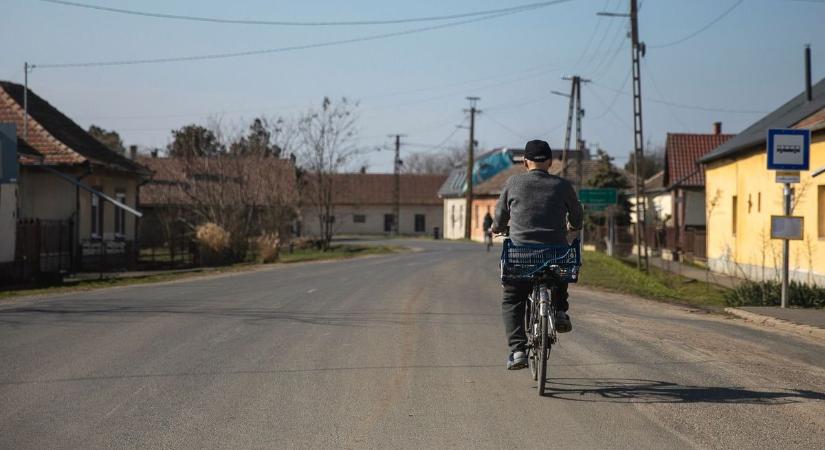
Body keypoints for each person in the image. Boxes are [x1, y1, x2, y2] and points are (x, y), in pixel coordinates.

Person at [492, 139, 583, 370]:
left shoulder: (513, 183)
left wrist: (497, 228)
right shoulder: (563, 186)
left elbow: (501, 217)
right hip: (555, 252)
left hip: (521, 255)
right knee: (560, 272)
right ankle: (560, 311)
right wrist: (573, 226)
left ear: (525, 162)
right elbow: (577, 215)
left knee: (513, 297)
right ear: (551, 162)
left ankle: (518, 351)